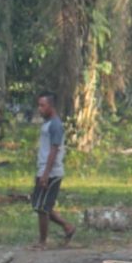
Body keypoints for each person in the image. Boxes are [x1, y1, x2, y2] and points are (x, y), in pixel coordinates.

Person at [32, 91, 75, 249]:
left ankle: (43, 242)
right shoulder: (47, 123)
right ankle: (67, 226)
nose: (40, 108)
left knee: (42, 208)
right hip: (44, 169)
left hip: (51, 172)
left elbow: (54, 150)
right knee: (41, 205)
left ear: (51, 106)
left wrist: (45, 174)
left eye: (42, 105)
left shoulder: (55, 125)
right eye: (39, 105)